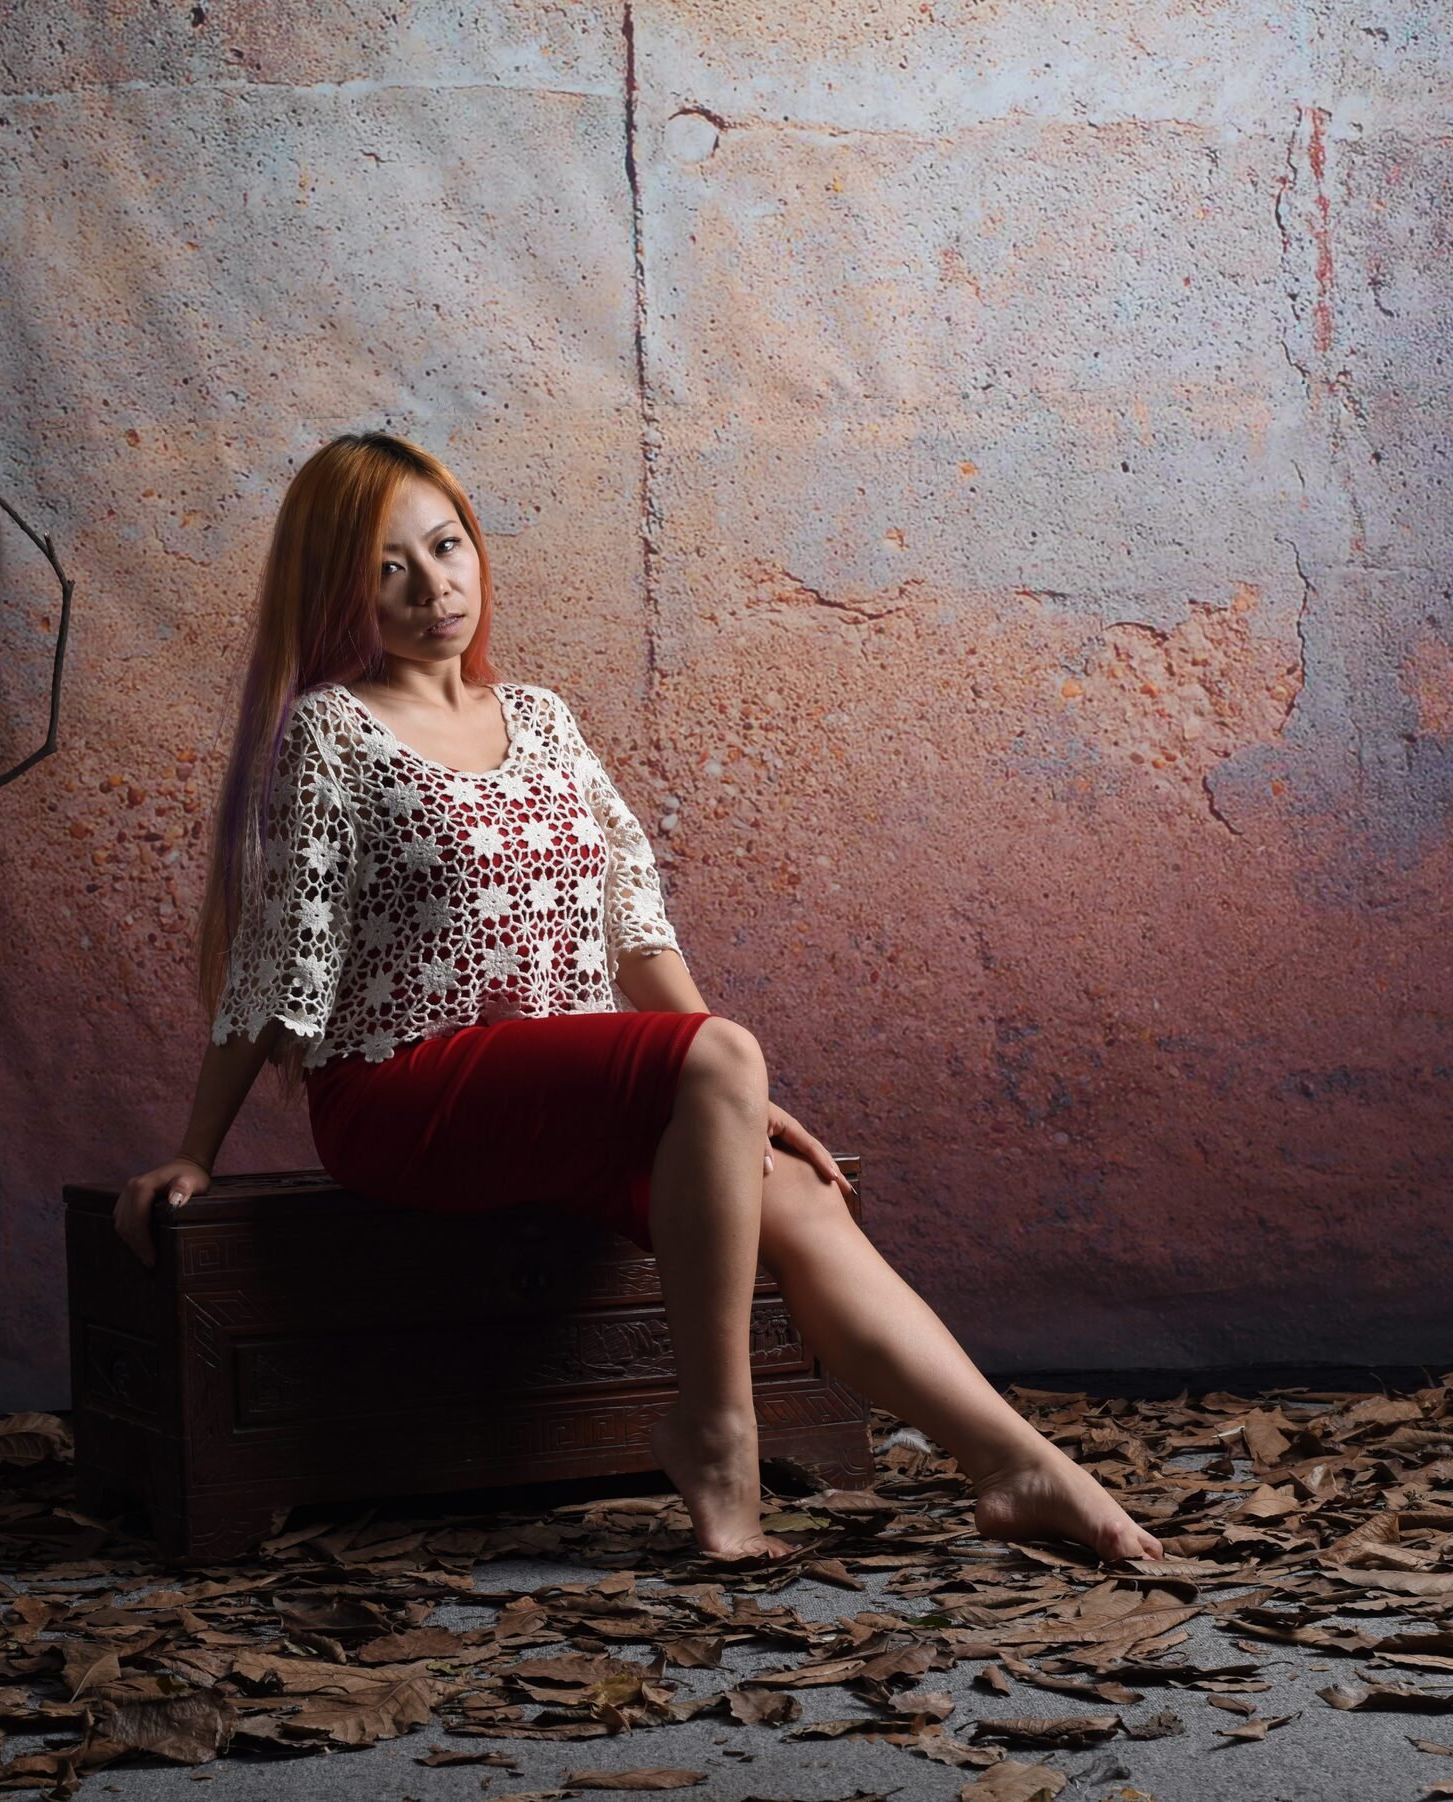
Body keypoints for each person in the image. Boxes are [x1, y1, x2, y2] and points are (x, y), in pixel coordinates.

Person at [117, 432, 1162, 1566]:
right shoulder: (331, 731)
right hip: (401, 1094)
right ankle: (715, 1435)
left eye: (448, 546)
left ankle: (1014, 1466)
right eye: (388, 568)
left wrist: (732, 1098)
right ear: (337, 590)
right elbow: (278, 956)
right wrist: (196, 1148)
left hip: (566, 1093)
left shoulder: (543, 716)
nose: (434, 586)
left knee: (801, 1196)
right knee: (721, 1059)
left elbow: (635, 925)